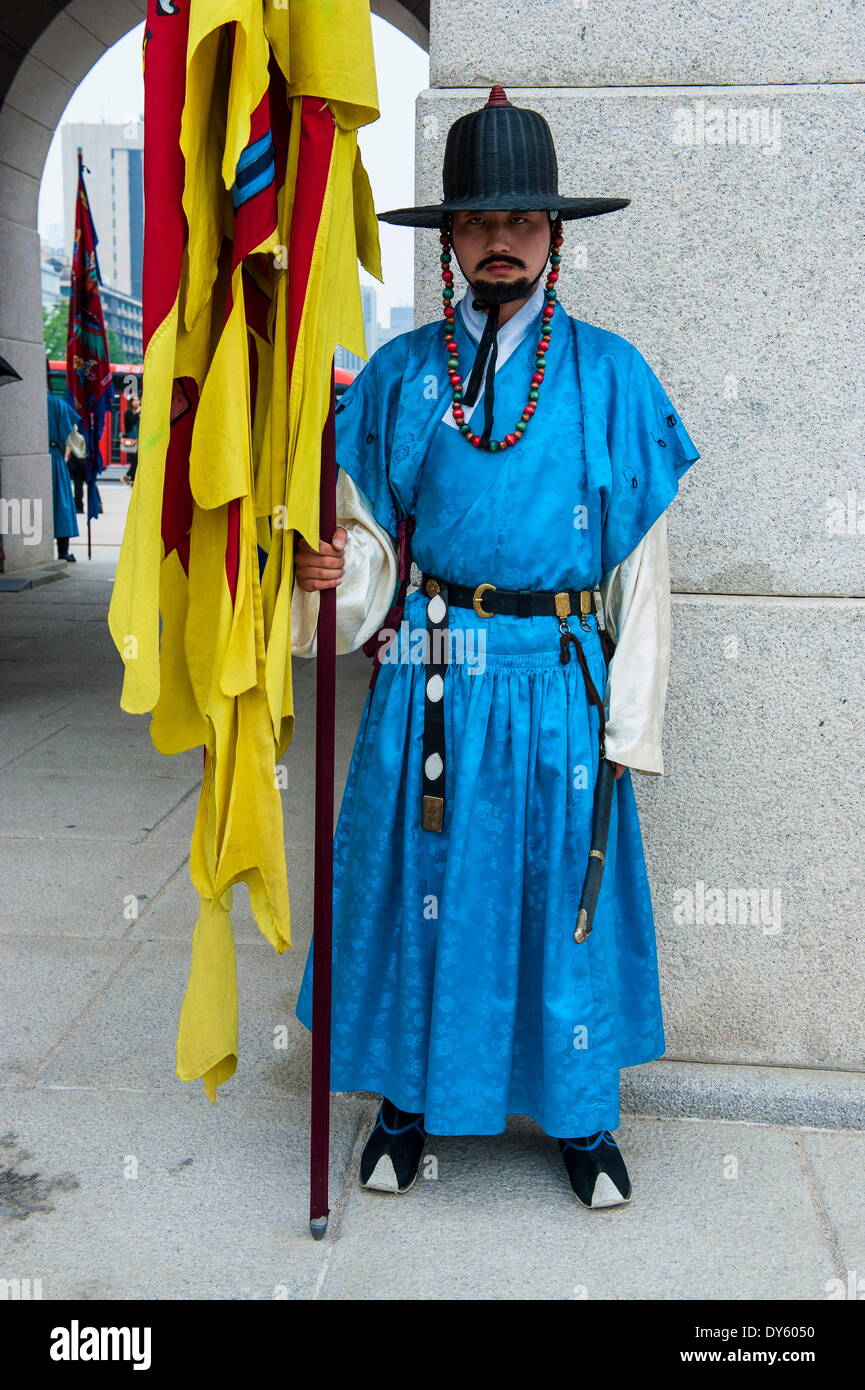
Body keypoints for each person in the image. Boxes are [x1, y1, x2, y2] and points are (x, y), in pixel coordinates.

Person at [291, 87, 700, 1209]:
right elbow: (369, 537)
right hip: (429, 674)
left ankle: (579, 1120)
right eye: (480, 222)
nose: (502, 240)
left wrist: (630, 717)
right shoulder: (399, 376)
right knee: (419, 887)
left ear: (556, 237)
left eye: (523, 221)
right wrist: (333, 577)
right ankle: (410, 1105)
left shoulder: (611, 376)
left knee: (558, 891)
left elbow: (640, 574)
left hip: (557, 684)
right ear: (453, 242)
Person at [46, 360, 84, 563]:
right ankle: (63, 551)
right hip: (55, 458)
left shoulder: (25, 403)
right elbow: (76, 440)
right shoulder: (59, 405)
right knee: (62, 504)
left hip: (33, 459)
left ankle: (30, 548)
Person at [121, 393, 141, 485]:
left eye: (138, 400)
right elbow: (132, 422)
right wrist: (137, 413)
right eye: (135, 400)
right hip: (132, 440)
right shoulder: (128, 413)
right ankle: (130, 478)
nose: (137, 402)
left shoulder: (138, 413)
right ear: (131, 402)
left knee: (136, 461)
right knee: (135, 461)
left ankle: (130, 479)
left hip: (138, 440)